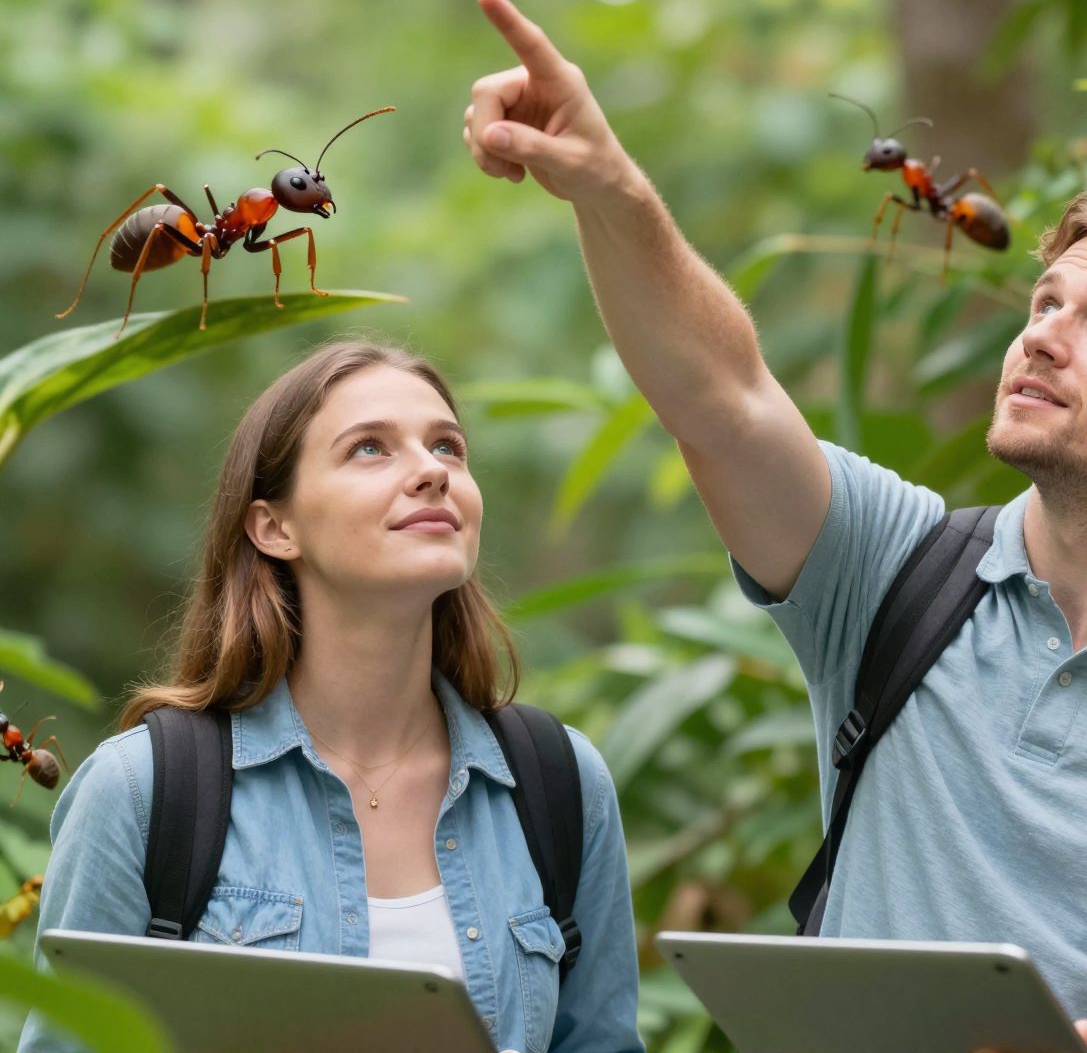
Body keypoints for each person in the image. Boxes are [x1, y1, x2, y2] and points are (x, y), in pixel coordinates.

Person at [461, 0, 1087, 1053]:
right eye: (1044, 302)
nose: (1042, 336)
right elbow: (718, 395)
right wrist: (607, 185)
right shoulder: (888, 570)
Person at [20, 341, 640, 1053]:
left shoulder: (560, 783)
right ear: (274, 528)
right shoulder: (143, 791)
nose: (432, 471)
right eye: (370, 449)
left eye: (448, 447)